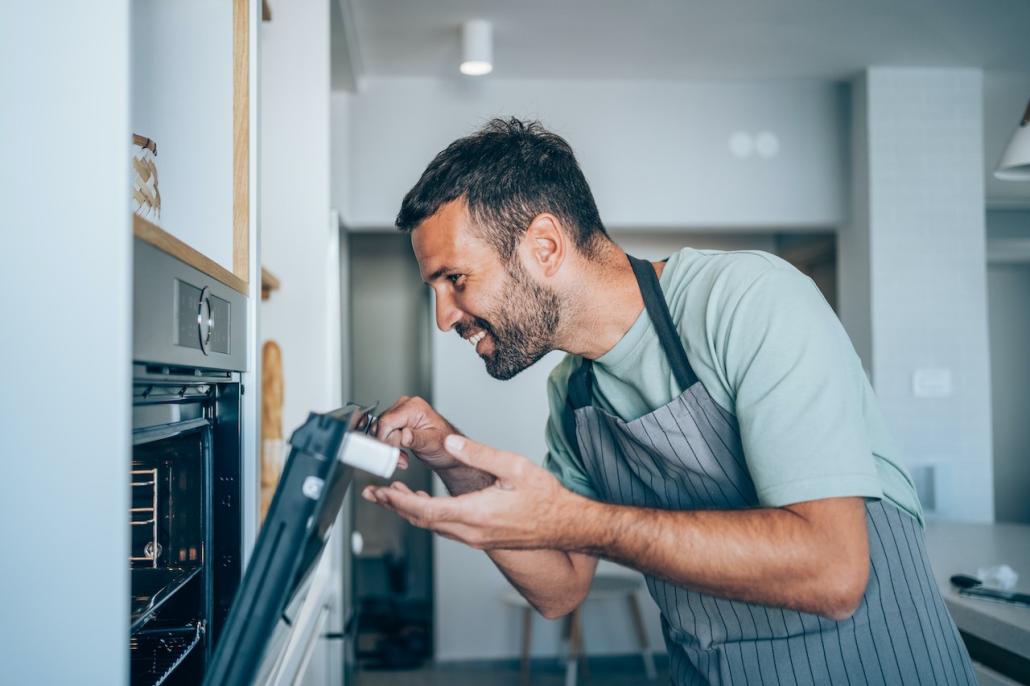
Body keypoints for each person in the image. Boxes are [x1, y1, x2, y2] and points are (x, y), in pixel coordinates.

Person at [361, 118, 975, 685]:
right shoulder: (574, 392)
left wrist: (580, 521)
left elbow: (833, 570)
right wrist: (450, 458)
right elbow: (560, 590)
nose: (443, 318)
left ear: (544, 247)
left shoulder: (746, 303)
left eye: (455, 279)